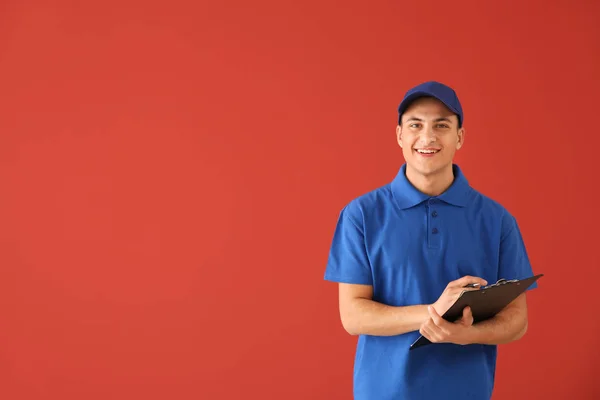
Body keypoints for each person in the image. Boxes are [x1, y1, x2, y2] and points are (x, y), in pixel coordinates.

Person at [323, 81, 537, 400]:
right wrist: (434, 311)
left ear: (460, 137)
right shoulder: (361, 215)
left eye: (441, 125)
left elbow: (517, 321)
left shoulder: (497, 220)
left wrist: (468, 334)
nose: (427, 137)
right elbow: (353, 316)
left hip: (467, 391)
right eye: (416, 125)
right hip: (383, 392)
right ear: (399, 135)